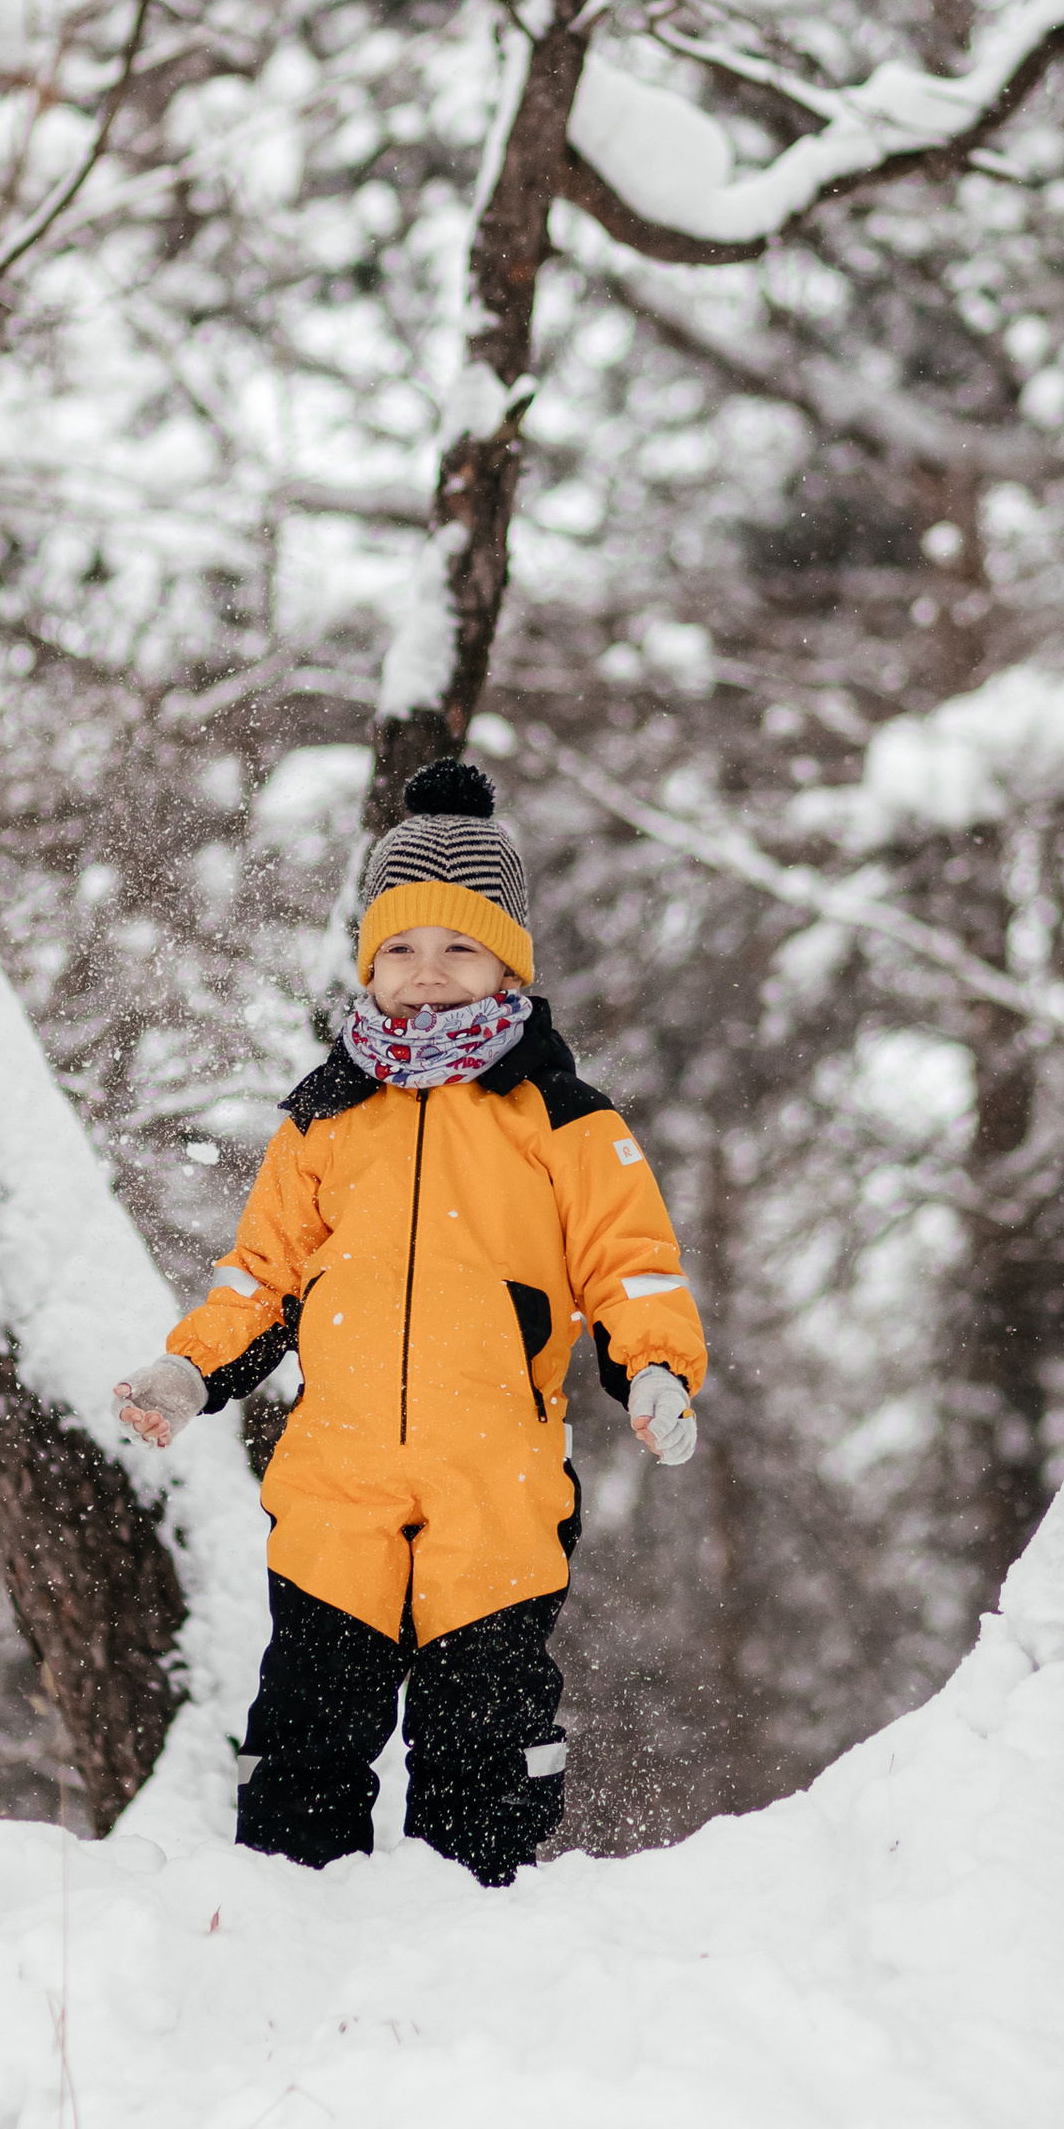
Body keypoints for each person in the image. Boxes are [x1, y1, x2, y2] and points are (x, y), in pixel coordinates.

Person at [113, 759, 706, 1883]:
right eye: (399, 950)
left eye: (457, 949)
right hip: (337, 1485)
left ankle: (472, 1958)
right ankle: (284, 1943)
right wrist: (188, 1371)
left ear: (507, 964)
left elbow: (633, 1268)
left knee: (483, 1751)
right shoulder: (325, 1118)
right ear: (367, 965)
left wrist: (658, 1370)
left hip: (496, 1485)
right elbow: (262, 1278)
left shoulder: (563, 1118)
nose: (425, 975)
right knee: (302, 1747)